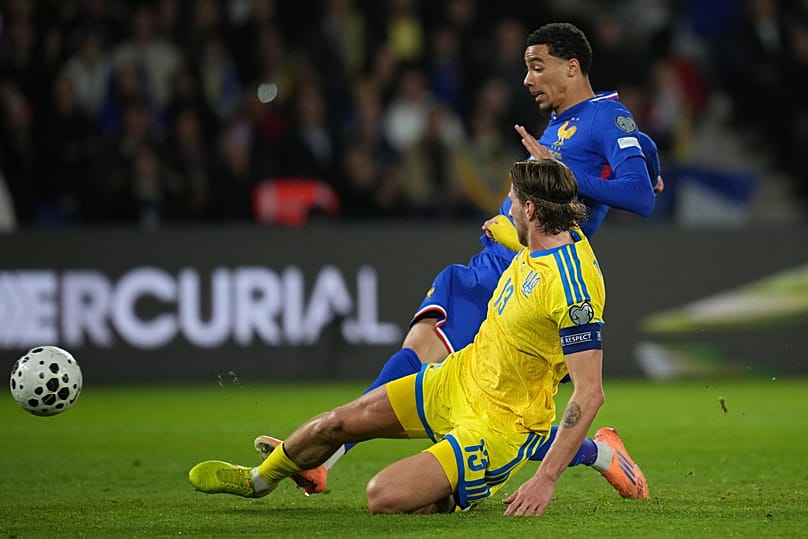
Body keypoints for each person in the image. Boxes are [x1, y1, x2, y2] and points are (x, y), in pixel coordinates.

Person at [254, 21, 658, 500]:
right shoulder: (568, 117)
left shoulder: (604, 120)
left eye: (537, 67)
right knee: (430, 357)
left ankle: (330, 456)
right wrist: (652, 167)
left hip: (521, 277)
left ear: (572, 68)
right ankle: (605, 454)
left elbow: (639, 196)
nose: (527, 80)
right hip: (493, 261)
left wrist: (581, 172)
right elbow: (643, 157)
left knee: (487, 402)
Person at [189, 158, 646, 516]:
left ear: (530, 209)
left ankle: (456, 491)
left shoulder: (572, 287)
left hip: (497, 427)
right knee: (339, 422)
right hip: (457, 380)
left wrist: (545, 479)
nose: (505, 209)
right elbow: (540, 229)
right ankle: (256, 482)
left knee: (381, 496)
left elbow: (589, 392)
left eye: (511, 201)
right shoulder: (539, 240)